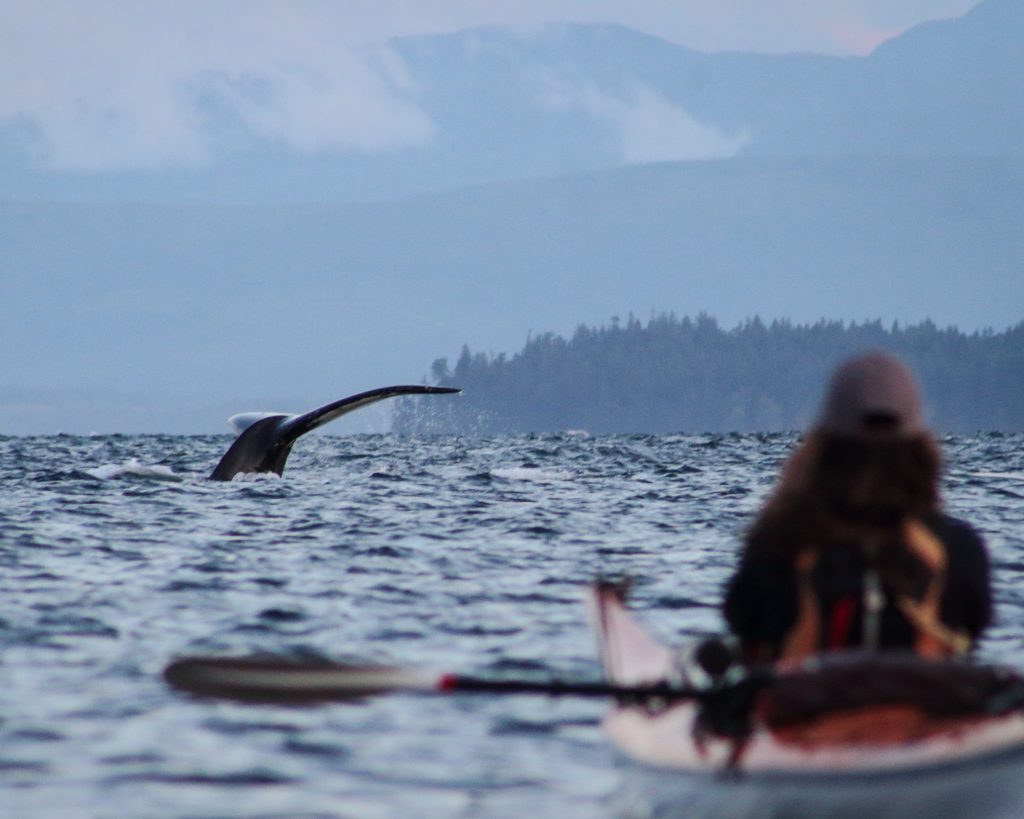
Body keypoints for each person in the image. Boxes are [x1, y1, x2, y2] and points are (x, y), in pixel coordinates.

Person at [723, 351, 992, 666]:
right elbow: (973, 629)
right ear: (919, 446)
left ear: (824, 444)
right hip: (927, 710)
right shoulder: (959, 548)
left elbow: (745, 626)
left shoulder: (778, 543)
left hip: (807, 710)